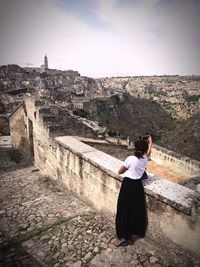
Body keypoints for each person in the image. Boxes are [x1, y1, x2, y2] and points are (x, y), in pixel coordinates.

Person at [115, 135, 152, 247]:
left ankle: (123, 238)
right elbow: (148, 153)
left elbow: (120, 171)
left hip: (128, 185)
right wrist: (150, 143)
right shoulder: (144, 160)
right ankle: (131, 234)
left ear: (136, 149)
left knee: (123, 210)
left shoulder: (130, 159)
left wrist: (126, 167)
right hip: (138, 187)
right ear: (145, 150)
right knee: (134, 210)